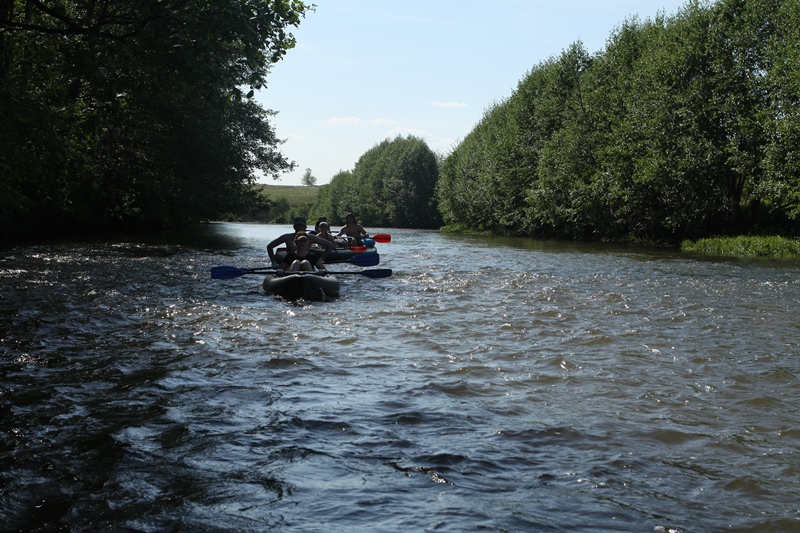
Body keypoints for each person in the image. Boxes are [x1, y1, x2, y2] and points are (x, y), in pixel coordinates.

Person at [267, 217, 334, 271]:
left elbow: (329, 245)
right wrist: (273, 262)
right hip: (291, 265)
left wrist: (321, 259)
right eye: (297, 225)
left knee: (305, 263)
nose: (299, 228)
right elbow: (270, 246)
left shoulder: (311, 238)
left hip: (308, 266)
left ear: (305, 227)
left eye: (301, 225)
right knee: (296, 262)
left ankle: (309, 280)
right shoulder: (287, 237)